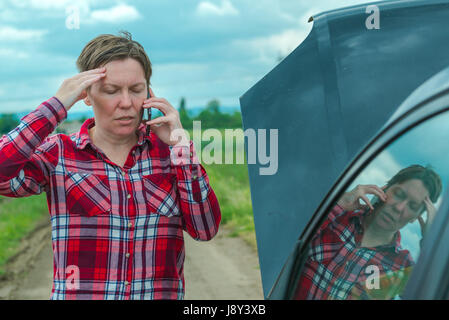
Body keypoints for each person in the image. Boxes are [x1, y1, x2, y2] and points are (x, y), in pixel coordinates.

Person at [0, 31, 221, 300]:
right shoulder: (58, 153)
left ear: (149, 93)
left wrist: (181, 148)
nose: (126, 103)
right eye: (111, 91)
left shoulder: (171, 156)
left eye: (136, 90)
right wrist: (55, 107)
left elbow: (206, 229)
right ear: (86, 96)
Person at [294, 164, 442, 300]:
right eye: (399, 194)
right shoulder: (337, 217)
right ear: (384, 189)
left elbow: (431, 293)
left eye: (413, 206)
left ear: (415, 217)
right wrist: (339, 202)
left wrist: (432, 242)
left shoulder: (403, 266)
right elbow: (289, 237)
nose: (399, 207)